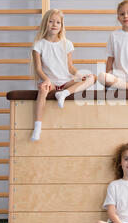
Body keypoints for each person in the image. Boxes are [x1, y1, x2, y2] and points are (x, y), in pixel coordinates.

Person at [31, 8, 96, 141]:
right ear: (45, 23)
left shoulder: (67, 44)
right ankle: (37, 126)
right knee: (42, 90)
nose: (54, 25)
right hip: (52, 83)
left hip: (66, 82)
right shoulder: (39, 45)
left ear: (61, 26)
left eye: (58, 22)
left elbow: (70, 67)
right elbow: (38, 69)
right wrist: (47, 80)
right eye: (51, 21)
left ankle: (64, 94)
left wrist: (79, 75)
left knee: (91, 78)